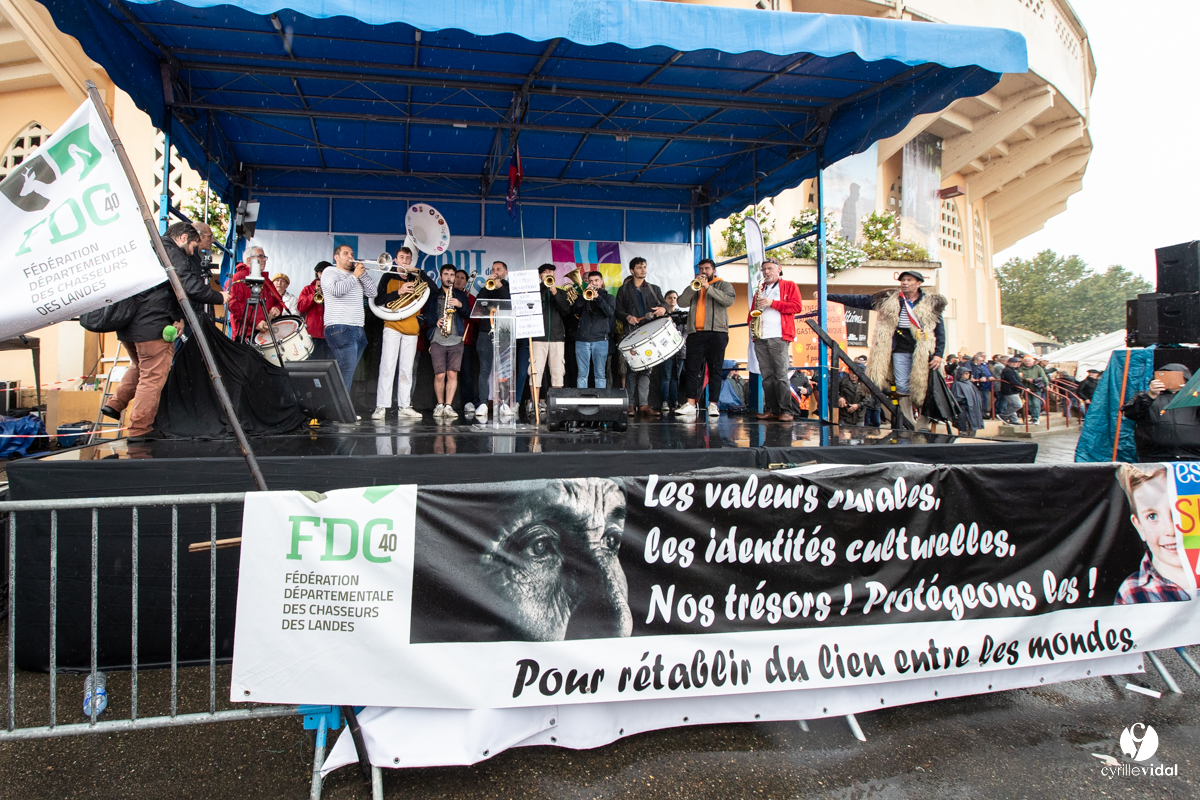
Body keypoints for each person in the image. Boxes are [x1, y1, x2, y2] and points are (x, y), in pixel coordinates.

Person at [102, 223, 200, 440]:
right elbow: (180, 289)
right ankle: (139, 430)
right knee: (153, 377)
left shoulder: (148, 251)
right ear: (183, 238)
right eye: (194, 246)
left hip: (129, 325)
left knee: (140, 366)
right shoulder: (172, 254)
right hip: (153, 327)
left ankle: (115, 403)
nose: (194, 253)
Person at [829, 270, 945, 430]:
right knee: (902, 386)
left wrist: (938, 354)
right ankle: (908, 421)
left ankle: (923, 422)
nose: (904, 283)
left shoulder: (931, 303)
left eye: (909, 280)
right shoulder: (890, 299)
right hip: (899, 349)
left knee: (924, 387)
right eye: (902, 280)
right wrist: (828, 296)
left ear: (918, 283)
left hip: (923, 350)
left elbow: (940, 331)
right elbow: (860, 300)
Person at [1115, 465, 1191, 603]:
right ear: (1139, 527)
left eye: (1180, 513)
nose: (1170, 530)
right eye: (1152, 516)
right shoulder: (1131, 592)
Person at [676, 258, 736, 420]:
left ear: (713, 270)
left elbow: (728, 300)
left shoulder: (723, 285)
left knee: (715, 369)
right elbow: (681, 302)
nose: (703, 272)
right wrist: (693, 287)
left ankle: (713, 404)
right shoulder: (694, 285)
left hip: (717, 333)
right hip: (696, 333)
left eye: (707, 269)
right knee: (692, 369)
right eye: (701, 269)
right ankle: (690, 404)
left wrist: (708, 287)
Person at [372, 247, 425, 420]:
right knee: (387, 366)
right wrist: (399, 293)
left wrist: (417, 272)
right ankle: (381, 406)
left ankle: (404, 406)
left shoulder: (416, 277)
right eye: (401, 257)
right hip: (392, 325)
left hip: (411, 328)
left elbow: (432, 288)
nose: (405, 261)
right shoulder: (388, 276)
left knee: (407, 369)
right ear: (395, 260)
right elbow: (378, 300)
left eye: (408, 258)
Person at [473, 260, 530, 421]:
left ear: (505, 272)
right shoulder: (486, 286)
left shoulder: (510, 288)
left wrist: (499, 286)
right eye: (493, 269)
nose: (495, 272)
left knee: (504, 370)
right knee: (485, 369)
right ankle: (483, 403)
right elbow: (479, 303)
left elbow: (510, 303)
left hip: (504, 332)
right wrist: (488, 286)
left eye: (498, 269)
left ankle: (505, 403)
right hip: (486, 331)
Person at [750, 259, 802, 421]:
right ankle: (771, 409)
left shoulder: (789, 285)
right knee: (767, 376)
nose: (766, 272)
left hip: (779, 335)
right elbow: (752, 312)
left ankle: (786, 411)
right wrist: (752, 325)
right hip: (761, 336)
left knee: (780, 375)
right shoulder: (760, 289)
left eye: (770, 268)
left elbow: (796, 307)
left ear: (779, 269)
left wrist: (773, 303)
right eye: (764, 269)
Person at [321, 244, 378, 394]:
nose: (350, 257)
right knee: (345, 370)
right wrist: (355, 276)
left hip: (358, 329)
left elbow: (373, 293)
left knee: (347, 371)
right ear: (336, 257)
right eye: (346, 253)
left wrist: (362, 274)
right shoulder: (330, 271)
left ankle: (338, 408)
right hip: (340, 327)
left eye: (352, 254)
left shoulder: (356, 275)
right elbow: (337, 291)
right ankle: (340, 410)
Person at [615, 257, 666, 417]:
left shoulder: (653, 288)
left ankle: (643, 405)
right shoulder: (624, 289)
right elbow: (617, 310)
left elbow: (664, 304)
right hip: (631, 333)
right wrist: (626, 317)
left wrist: (663, 310)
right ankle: (630, 405)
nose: (643, 270)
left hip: (649, 333)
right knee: (632, 370)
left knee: (645, 370)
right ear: (632, 270)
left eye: (644, 267)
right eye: (639, 267)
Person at [1121, 363, 1200, 461]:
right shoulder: (1145, 397)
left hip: (1193, 456)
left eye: (1177, 376)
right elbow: (1130, 413)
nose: (1171, 379)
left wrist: (1191, 391)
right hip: (1154, 456)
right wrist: (1150, 395)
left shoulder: (1195, 398)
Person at [421, 264, 470, 419]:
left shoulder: (460, 295)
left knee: (452, 373)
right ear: (440, 276)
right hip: (437, 338)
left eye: (452, 275)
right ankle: (440, 404)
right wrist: (435, 321)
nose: (449, 277)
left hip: (456, 338)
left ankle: (448, 406)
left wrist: (460, 305)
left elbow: (468, 313)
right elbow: (425, 316)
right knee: (440, 374)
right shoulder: (433, 296)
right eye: (446, 274)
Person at [531, 264, 574, 411]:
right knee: (535, 373)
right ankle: (536, 406)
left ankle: (557, 406)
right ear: (539, 276)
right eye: (544, 272)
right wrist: (543, 288)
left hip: (557, 338)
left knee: (557, 372)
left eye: (550, 272)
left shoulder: (561, 292)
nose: (548, 274)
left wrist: (554, 291)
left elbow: (566, 311)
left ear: (555, 275)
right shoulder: (534, 292)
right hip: (538, 338)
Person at [227, 245, 286, 342]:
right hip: (246, 335)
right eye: (260, 256)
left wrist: (277, 308)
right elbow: (234, 305)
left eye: (264, 257)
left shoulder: (266, 280)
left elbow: (278, 301)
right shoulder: (238, 278)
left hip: (266, 333)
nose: (264, 260)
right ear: (249, 260)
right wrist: (256, 321)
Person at [570, 270, 616, 388]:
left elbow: (610, 312)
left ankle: (600, 403)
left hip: (601, 339)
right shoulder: (583, 296)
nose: (593, 283)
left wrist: (598, 298)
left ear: (601, 282)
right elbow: (574, 310)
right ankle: (582, 402)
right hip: (582, 340)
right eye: (590, 281)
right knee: (582, 375)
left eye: (596, 280)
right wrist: (583, 297)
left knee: (600, 374)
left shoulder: (608, 297)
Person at [454, 268, 478, 415]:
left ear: (466, 281)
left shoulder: (471, 298)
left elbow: (476, 319)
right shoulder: (446, 294)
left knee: (466, 373)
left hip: (465, 340)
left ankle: (468, 401)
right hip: (448, 339)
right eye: (457, 277)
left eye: (462, 278)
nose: (459, 280)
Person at [659, 290, 687, 412]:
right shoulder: (662, 316)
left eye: (675, 297)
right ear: (665, 300)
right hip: (666, 350)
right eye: (669, 297)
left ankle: (675, 401)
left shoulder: (682, 315)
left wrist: (681, 341)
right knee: (666, 376)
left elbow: (686, 330)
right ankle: (664, 401)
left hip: (680, 350)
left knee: (676, 377)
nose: (672, 300)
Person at [296, 261, 329, 361]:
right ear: (317, 273)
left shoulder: (334, 289)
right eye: (321, 272)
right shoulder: (307, 289)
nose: (324, 274)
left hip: (329, 333)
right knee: (312, 363)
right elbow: (301, 307)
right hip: (312, 333)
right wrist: (314, 294)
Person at [951, 365, 984, 437]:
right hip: (964, 409)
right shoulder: (957, 384)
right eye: (966, 373)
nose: (968, 375)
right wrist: (965, 402)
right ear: (961, 374)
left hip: (973, 409)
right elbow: (956, 397)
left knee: (973, 428)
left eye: (968, 373)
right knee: (964, 428)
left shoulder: (970, 384)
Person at [1016, 354, 1049, 424]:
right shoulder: (1021, 368)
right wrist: (1026, 379)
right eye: (1026, 361)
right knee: (1029, 403)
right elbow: (1018, 377)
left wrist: (1047, 385)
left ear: (1033, 362)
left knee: (1036, 403)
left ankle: (1036, 418)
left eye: (1029, 361)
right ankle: (1032, 417)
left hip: (1036, 387)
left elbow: (1043, 376)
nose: (1027, 362)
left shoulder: (1037, 367)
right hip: (1026, 388)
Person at [995, 355, 1025, 425]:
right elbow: (1013, 381)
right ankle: (1003, 415)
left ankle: (1013, 419)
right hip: (1009, 390)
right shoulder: (1007, 370)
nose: (1014, 363)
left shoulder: (1013, 370)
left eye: (1016, 362)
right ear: (1008, 363)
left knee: (1012, 404)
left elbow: (1016, 380)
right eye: (1012, 362)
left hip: (1012, 390)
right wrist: (1024, 387)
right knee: (1017, 405)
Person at [969, 352, 995, 418]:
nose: (981, 361)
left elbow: (983, 373)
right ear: (975, 360)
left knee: (984, 399)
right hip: (972, 385)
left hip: (980, 385)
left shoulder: (980, 367)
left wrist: (983, 377)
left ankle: (983, 413)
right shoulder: (971, 366)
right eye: (980, 360)